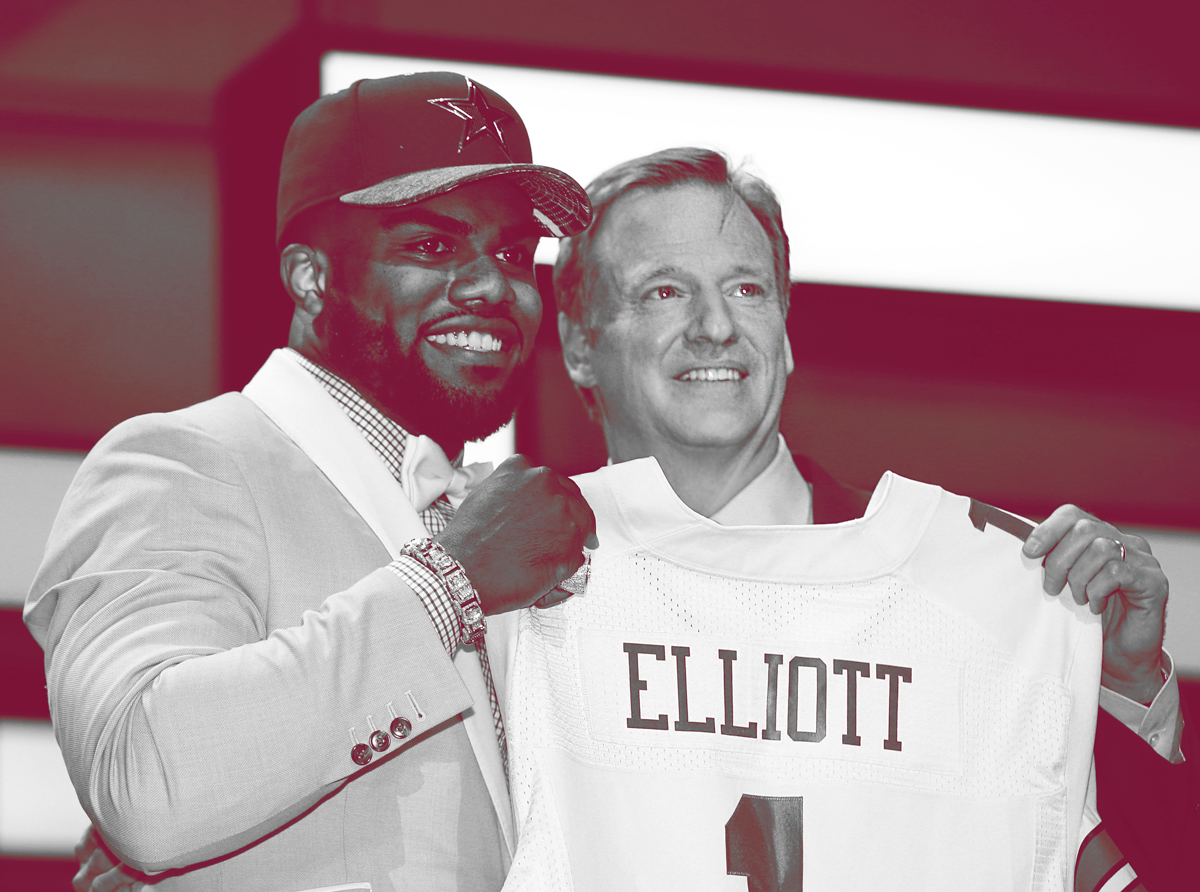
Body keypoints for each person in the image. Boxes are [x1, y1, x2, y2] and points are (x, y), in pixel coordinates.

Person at [498, 147, 1196, 890]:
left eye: (747, 289)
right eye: (665, 291)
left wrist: (1119, 682)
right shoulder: (515, 597)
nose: (715, 326)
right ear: (578, 343)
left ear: (786, 328)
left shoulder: (984, 590)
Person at [25, 71, 597, 892]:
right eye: (431, 247)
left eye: (512, 252)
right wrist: (451, 583)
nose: (490, 285)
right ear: (311, 279)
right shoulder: (176, 463)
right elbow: (144, 781)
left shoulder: (482, 509)